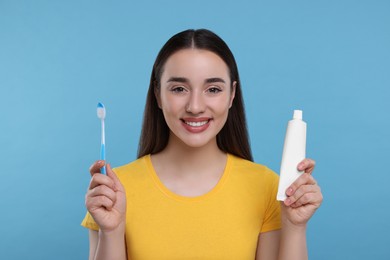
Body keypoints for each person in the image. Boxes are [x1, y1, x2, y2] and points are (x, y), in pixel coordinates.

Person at [82, 29, 323, 260]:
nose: (195, 106)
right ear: (157, 94)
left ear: (232, 95)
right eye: (179, 88)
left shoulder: (266, 187)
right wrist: (111, 232)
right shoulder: (113, 191)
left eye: (213, 89)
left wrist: (294, 227)